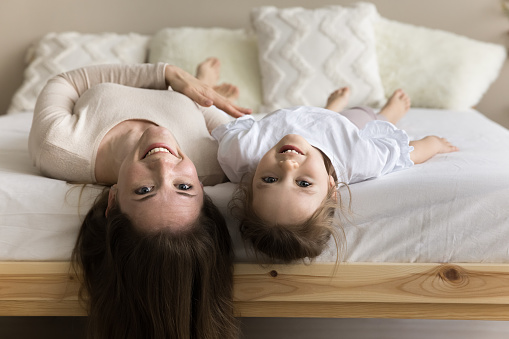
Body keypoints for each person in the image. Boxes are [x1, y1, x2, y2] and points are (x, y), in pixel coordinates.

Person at [28, 58, 250, 339]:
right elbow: (205, 112)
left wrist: (165, 72)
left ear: (112, 201)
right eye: (183, 187)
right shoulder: (215, 160)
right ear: (203, 190)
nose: (163, 164)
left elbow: (65, 82)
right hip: (188, 98)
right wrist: (191, 88)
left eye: (144, 190)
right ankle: (204, 83)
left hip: (171, 84)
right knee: (202, 99)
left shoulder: (58, 144)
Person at [212, 88, 458, 264]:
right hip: (334, 126)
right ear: (332, 187)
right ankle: (385, 113)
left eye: (269, 180)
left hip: (300, 119)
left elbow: (234, 125)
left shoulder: (242, 152)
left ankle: (328, 107)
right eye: (303, 183)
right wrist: (432, 144)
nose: (287, 167)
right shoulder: (356, 155)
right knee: (362, 115)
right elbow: (398, 155)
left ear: (251, 178)